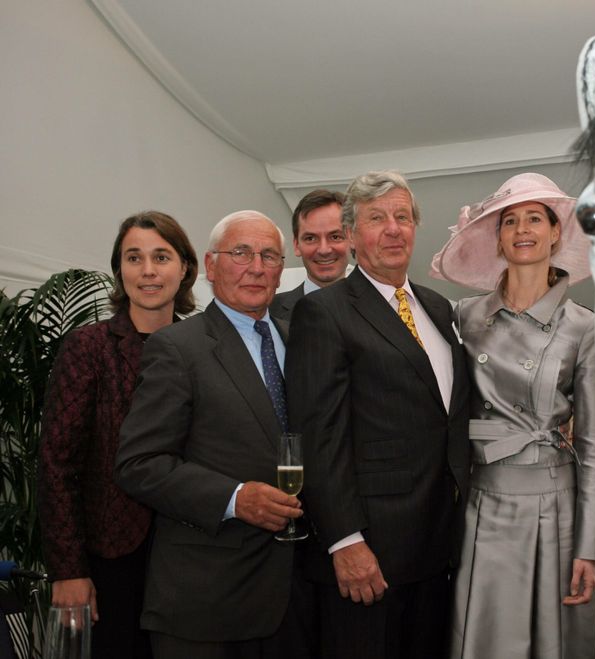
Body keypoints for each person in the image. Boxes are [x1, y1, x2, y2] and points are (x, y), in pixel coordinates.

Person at [285, 170, 471, 659]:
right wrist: (345, 540)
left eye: (403, 217)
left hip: (438, 547)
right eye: (377, 218)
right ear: (350, 235)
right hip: (369, 553)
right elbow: (317, 438)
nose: (393, 229)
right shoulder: (325, 312)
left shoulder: (438, 308)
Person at [430, 172, 595, 659]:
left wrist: (590, 546)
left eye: (535, 218)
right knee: (485, 638)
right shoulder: (463, 316)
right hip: (483, 501)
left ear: (556, 232)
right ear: (498, 237)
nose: (522, 229)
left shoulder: (584, 326)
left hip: (557, 504)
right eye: (510, 221)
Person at [114, 210, 309, 659]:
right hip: (205, 605)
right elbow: (138, 464)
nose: (256, 267)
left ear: (282, 269)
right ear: (210, 264)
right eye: (240, 253)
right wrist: (235, 498)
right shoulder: (178, 347)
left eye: (268, 256)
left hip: (291, 599)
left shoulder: (299, 342)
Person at [38, 210, 198, 659]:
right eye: (134, 257)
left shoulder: (204, 347)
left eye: (161, 257)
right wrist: (67, 570)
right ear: (119, 269)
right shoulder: (89, 347)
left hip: (191, 551)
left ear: (184, 268)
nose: (148, 271)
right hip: (111, 557)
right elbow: (56, 463)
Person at [271, 189, 349, 321]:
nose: (324, 250)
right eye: (311, 238)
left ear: (353, 240)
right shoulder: (268, 313)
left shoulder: (379, 307)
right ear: (296, 245)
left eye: (335, 237)